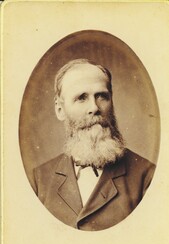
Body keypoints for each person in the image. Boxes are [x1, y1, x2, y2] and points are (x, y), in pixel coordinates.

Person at [33, 58, 155, 231]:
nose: (94, 107)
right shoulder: (38, 180)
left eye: (102, 96)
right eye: (81, 98)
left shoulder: (148, 177)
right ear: (60, 110)